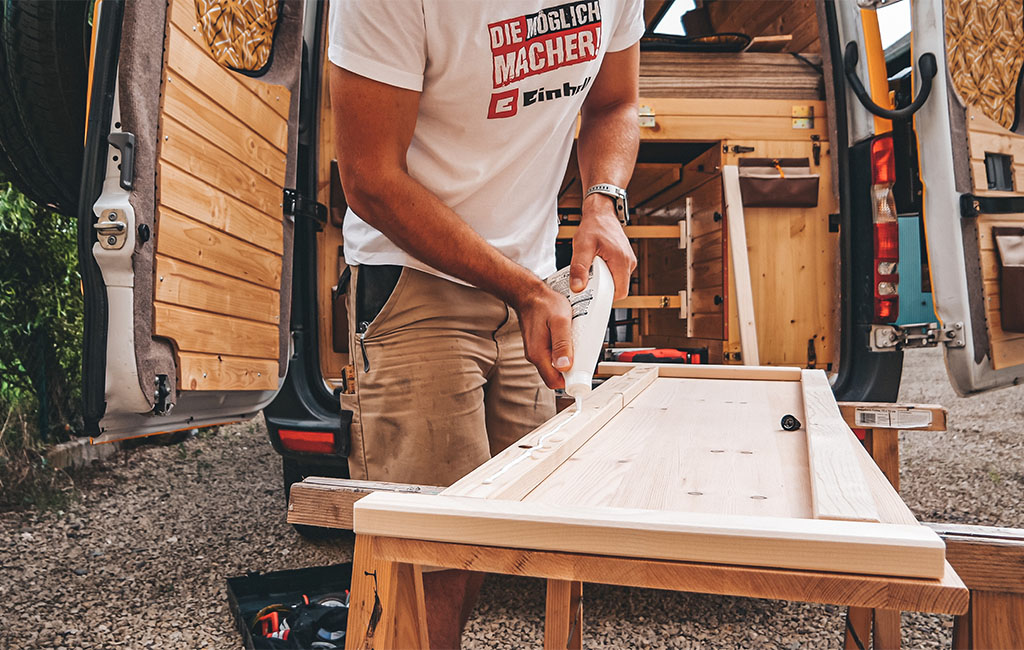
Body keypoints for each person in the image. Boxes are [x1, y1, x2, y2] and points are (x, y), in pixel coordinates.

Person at [329, 1, 644, 646]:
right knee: (429, 555)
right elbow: (369, 179)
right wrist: (523, 289)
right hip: (415, 278)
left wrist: (604, 201)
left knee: (514, 528)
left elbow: (615, 103)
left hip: (533, 281)